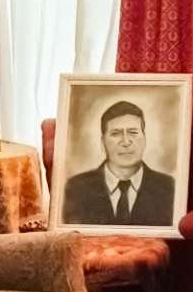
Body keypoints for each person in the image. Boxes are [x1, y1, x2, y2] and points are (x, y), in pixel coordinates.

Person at [62, 96, 176, 226]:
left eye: (133, 132)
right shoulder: (76, 188)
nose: (126, 142)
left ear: (144, 138)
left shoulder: (169, 188)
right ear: (102, 142)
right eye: (116, 133)